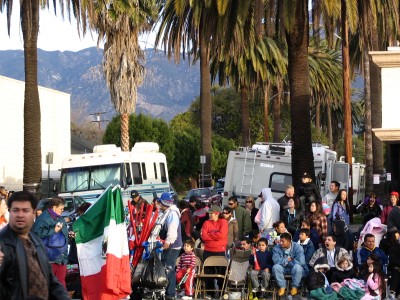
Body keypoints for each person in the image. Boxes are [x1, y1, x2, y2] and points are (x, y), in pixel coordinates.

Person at [0, 191, 70, 299]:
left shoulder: (36, 241)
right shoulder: (3, 243)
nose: (20, 215)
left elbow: (50, 281)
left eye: (25, 210)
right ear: (10, 212)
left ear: (34, 213)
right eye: (16, 210)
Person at [32, 196, 69, 288]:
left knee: (60, 284)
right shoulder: (43, 218)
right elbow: (35, 235)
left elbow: (63, 234)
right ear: (54, 208)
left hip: (61, 258)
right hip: (50, 258)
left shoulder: (59, 218)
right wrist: (53, 230)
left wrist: (70, 234)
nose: (62, 211)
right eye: (61, 209)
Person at [157, 192, 183, 300]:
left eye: (160, 202)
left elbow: (172, 230)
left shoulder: (172, 214)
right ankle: (167, 290)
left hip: (173, 245)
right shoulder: (167, 212)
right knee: (167, 267)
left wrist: (168, 242)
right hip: (170, 245)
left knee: (169, 268)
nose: (159, 204)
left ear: (164, 203)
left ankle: (170, 293)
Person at [200, 205, 228, 298]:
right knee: (208, 273)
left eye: (211, 213)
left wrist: (210, 234)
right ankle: (210, 292)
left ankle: (222, 292)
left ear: (217, 213)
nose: (209, 215)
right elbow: (203, 236)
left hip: (220, 250)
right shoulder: (206, 223)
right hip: (208, 250)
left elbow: (222, 235)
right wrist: (214, 235)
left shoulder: (223, 222)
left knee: (221, 271)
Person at [272, 232, 307, 297]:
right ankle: (282, 287)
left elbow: (301, 261)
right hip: (284, 268)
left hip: (295, 268)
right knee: (275, 267)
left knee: (297, 267)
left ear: (289, 241)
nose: (281, 243)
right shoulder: (276, 248)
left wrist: (285, 262)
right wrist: (286, 260)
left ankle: (294, 287)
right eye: (280, 241)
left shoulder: (298, 247)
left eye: (283, 241)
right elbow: (275, 260)